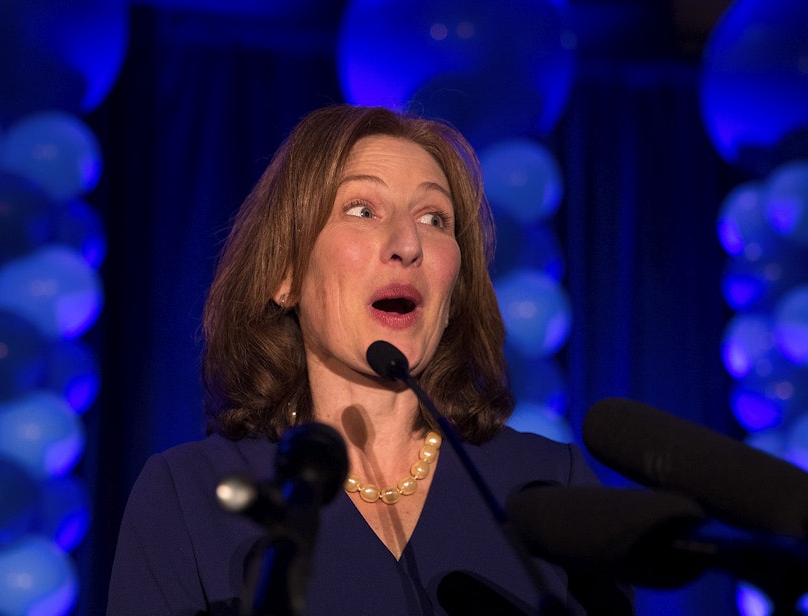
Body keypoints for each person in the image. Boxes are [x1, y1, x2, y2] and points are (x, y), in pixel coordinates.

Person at [107, 104, 632, 615]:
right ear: (285, 275)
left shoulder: (548, 486)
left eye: (434, 218)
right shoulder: (188, 496)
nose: (408, 245)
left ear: (454, 292)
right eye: (362, 210)